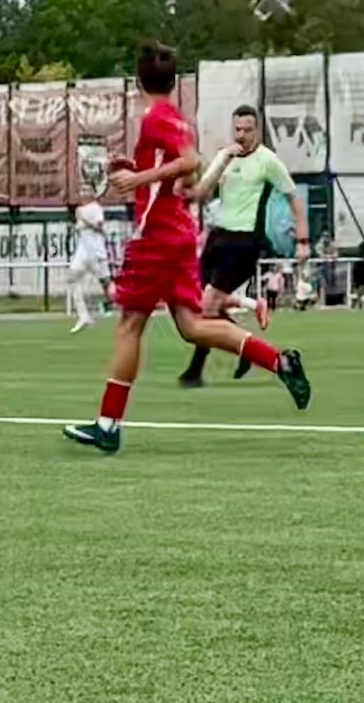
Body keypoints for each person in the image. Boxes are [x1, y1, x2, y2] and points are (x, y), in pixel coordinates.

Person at [64, 43, 311, 454]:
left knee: (129, 325)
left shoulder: (156, 118)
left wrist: (139, 178)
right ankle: (279, 361)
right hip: (177, 233)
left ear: (138, 81)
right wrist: (137, 170)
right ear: (173, 81)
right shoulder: (176, 118)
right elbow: (181, 171)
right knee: (192, 326)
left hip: (157, 237)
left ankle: (108, 424)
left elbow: (190, 161)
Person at [176, 105, 310, 389]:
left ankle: (195, 371)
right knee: (199, 306)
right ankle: (243, 346)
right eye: (238, 129)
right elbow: (201, 193)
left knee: (208, 306)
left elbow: (294, 199)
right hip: (217, 239)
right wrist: (221, 161)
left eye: (248, 130)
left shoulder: (267, 161)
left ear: (256, 130)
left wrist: (302, 241)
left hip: (245, 243)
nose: (242, 135)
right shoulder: (226, 157)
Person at [67, 195, 111, 334]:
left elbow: (98, 226)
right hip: (83, 252)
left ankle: (122, 306)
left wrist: (83, 219)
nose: (82, 193)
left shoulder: (96, 208)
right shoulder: (80, 209)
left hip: (96, 253)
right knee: (71, 279)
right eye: (81, 190)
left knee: (107, 284)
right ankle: (83, 316)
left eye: (86, 190)